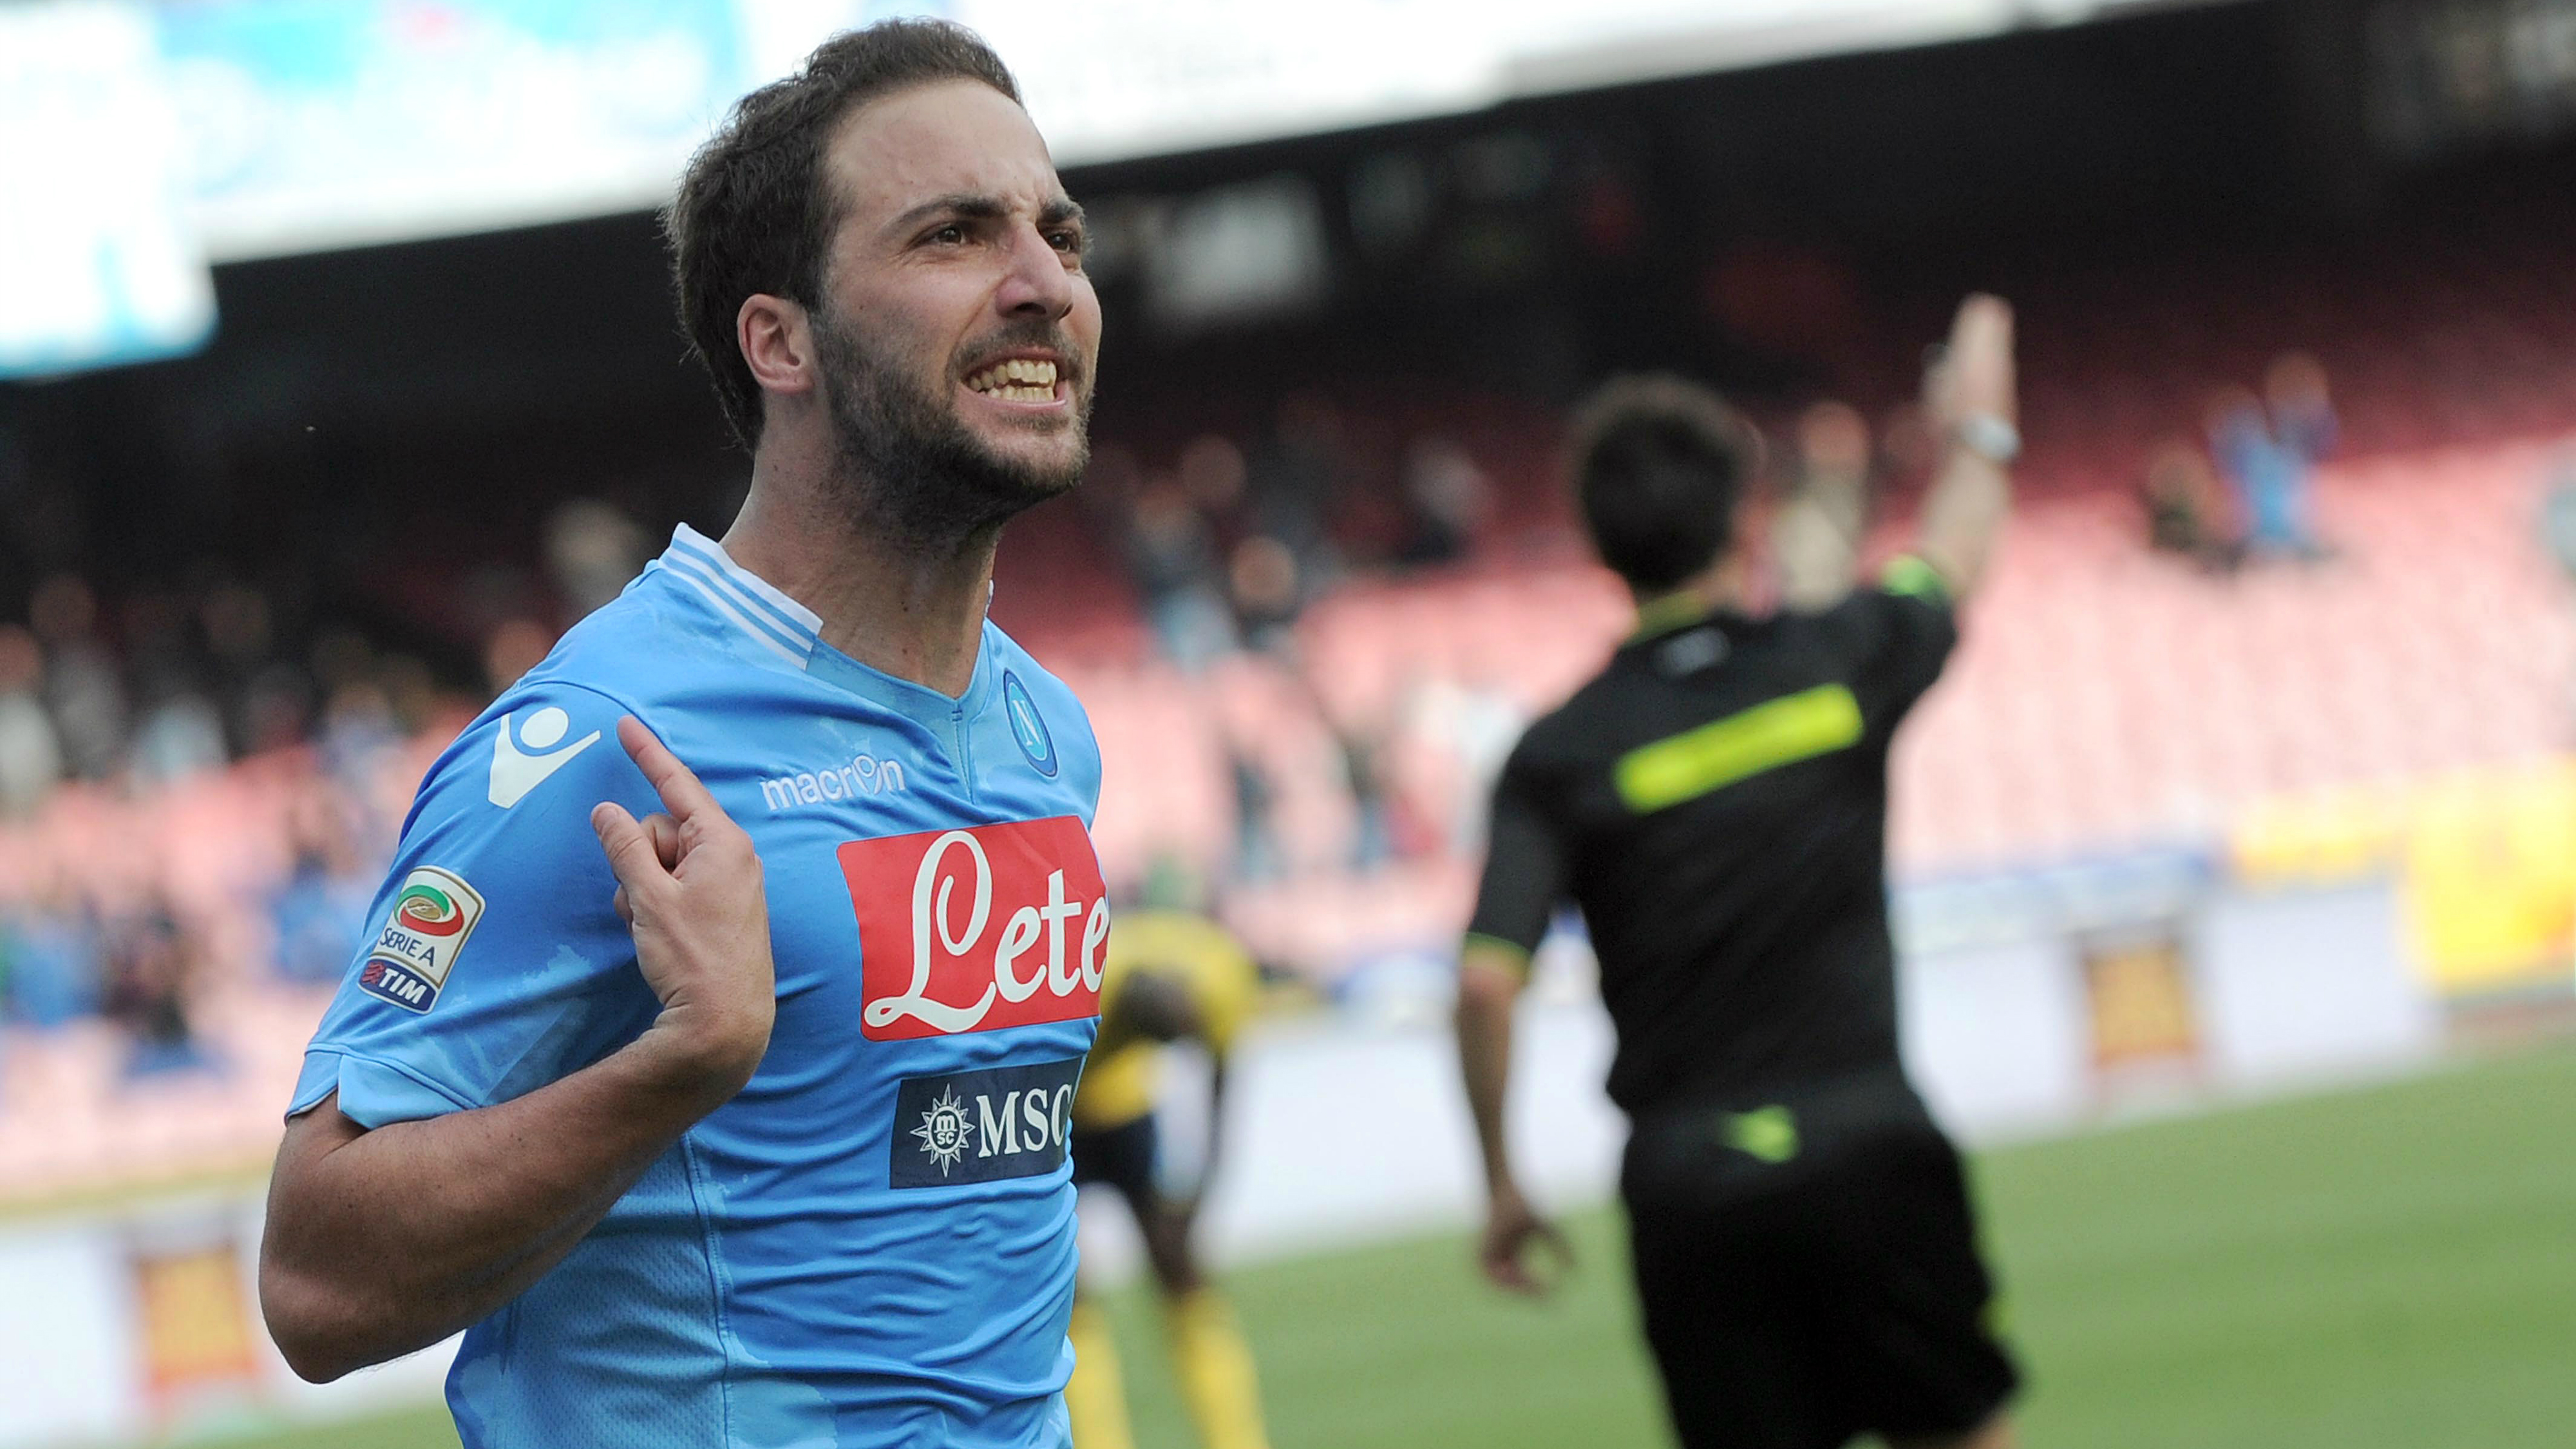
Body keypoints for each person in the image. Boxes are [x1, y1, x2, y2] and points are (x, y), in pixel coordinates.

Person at [258, 21, 1112, 1448]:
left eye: (1060, 235)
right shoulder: (604, 742)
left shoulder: (1046, 732)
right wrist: (683, 1062)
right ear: (780, 340)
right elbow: (314, 1282)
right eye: (954, 236)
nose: (1044, 284)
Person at [1453, 296, 2023, 1449]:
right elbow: (1957, 551)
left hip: (1693, 1184)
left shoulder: (1560, 754)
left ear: (1597, 544)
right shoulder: (1838, 662)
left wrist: (1504, 1182)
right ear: (1746, 517)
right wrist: (1980, 418)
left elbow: (1484, 981)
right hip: (1869, 1143)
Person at [1060, 903, 1270, 1449]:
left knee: (1180, 1268)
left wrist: (1198, 1200)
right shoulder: (1085, 986)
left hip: (1127, 1110)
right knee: (1069, 1287)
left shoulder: (1222, 974)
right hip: (1059, 1119)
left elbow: (1222, 1091)